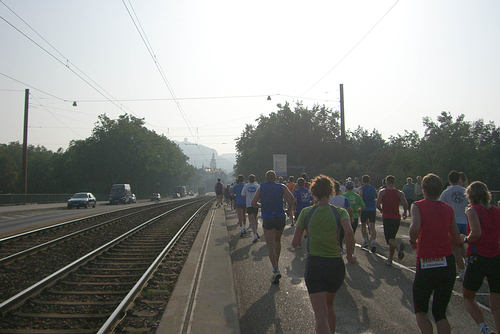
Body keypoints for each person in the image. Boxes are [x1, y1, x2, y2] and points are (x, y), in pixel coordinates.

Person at [291, 174, 356, 334]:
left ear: (313, 192)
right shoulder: (340, 212)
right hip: (335, 265)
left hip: (315, 265)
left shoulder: (306, 212)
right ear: (331, 192)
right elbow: (349, 232)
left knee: (320, 316)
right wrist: (349, 254)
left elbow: (295, 242)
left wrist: (307, 233)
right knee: (329, 307)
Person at [409, 173, 462, 334]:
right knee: (440, 313)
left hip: (426, 261)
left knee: (421, 311)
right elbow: (455, 235)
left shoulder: (418, 205)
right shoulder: (448, 209)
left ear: (423, 189)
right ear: (440, 190)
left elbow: (415, 228)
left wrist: (413, 241)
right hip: (447, 263)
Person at [462, 181, 500, 334]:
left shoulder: (473, 210)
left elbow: (476, 233)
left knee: (468, 296)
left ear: (470, 195)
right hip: (496, 256)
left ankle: (484, 327)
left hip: (478, 257)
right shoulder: (497, 211)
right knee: (496, 303)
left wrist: (464, 239)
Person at [251, 170, 295, 284]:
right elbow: (292, 199)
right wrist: (289, 210)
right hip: (280, 217)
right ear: (275, 178)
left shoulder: (262, 187)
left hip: (268, 218)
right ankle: (276, 262)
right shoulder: (282, 187)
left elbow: (253, 203)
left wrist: (262, 205)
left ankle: (275, 269)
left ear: (266, 178)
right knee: (277, 241)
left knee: (270, 245)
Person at [440, 170, 468, 280]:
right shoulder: (465, 191)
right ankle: (467, 266)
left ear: (449, 180)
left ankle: (462, 271)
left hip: (453, 222)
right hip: (465, 221)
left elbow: (441, 205)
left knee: (455, 249)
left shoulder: (447, 192)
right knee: (462, 246)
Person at [376, 175, 409, 266]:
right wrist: (405, 212)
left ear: (386, 182)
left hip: (387, 217)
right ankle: (390, 259)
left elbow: (377, 204)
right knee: (392, 238)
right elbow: (405, 203)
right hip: (396, 217)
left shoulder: (382, 192)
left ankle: (398, 247)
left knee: (389, 239)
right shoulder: (399, 193)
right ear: (394, 182)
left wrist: (381, 210)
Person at [329, 181, 353, 253]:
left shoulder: (327, 198)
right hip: (341, 220)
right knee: (340, 235)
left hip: (330, 219)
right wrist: (350, 219)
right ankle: (340, 247)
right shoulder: (344, 199)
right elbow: (349, 210)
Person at [359, 175, 378, 252]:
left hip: (364, 208)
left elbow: (360, 198)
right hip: (372, 208)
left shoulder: (361, 189)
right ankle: (373, 241)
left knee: (363, 225)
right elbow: (375, 197)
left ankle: (365, 240)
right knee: (372, 225)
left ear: (363, 181)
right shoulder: (373, 189)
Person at [241, 174, 260, 243]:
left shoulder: (246, 186)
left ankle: (255, 234)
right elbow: (260, 195)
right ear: (254, 179)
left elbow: (242, 194)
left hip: (249, 204)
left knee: (251, 220)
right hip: (256, 204)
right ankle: (256, 231)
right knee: (255, 218)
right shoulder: (257, 186)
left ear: (248, 179)